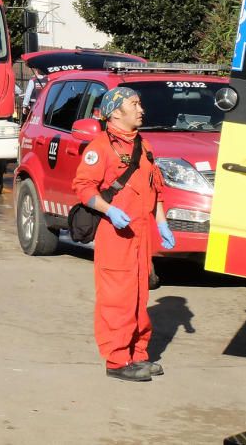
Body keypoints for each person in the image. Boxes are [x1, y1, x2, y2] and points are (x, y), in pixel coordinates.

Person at [72, 86, 175, 383]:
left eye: (140, 104)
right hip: (115, 235)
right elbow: (83, 187)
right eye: (134, 104)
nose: (141, 110)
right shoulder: (100, 147)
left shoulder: (143, 146)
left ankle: (138, 354)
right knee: (117, 298)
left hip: (141, 235)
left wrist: (162, 222)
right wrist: (108, 209)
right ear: (115, 112)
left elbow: (156, 188)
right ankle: (117, 360)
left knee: (140, 296)